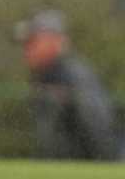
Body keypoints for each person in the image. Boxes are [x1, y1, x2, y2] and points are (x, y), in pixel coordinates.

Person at [16, 9, 122, 161]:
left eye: (33, 41)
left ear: (56, 41)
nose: (27, 50)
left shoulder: (75, 77)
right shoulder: (45, 75)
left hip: (82, 173)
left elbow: (99, 130)